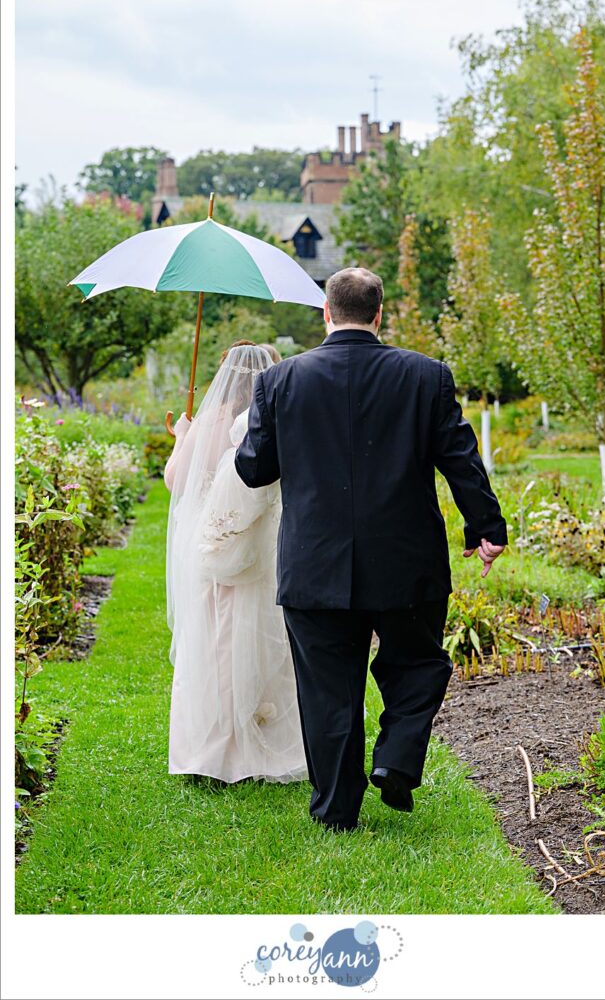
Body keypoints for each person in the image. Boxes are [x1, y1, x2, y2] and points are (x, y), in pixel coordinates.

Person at [235, 268, 507, 831]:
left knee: (327, 689)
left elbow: (254, 469)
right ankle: (396, 762)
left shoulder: (280, 381)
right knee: (419, 664)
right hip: (406, 561)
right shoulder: (426, 376)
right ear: (379, 315)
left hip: (314, 562)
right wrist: (487, 526)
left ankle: (336, 810)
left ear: (326, 314)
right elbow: (461, 459)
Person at [164, 342, 307, 785]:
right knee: (268, 640)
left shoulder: (213, 419)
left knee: (216, 641)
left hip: (218, 548)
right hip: (269, 547)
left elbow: (176, 482)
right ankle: (268, 739)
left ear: (225, 375)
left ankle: (215, 750)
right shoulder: (284, 415)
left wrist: (184, 438)